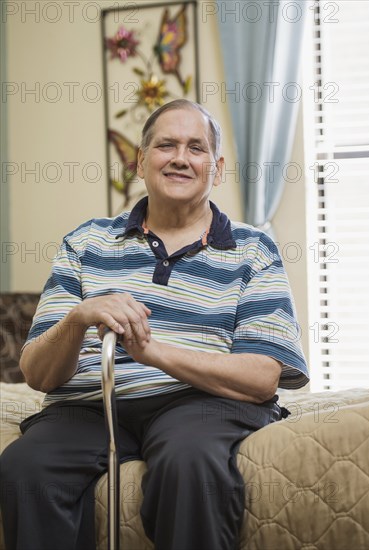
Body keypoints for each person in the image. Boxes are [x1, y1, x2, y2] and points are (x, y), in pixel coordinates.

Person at [0, 99, 309, 550]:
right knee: (25, 468)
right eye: (166, 145)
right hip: (90, 408)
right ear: (141, 161)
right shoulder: (85, 242)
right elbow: (37, 374)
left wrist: (153, 353)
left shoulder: (253, 250)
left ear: (216, 168)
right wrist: (77, 318)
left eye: (196, 148)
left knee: (189, 463)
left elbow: (262, 379)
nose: (181, 157)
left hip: (200, 403)